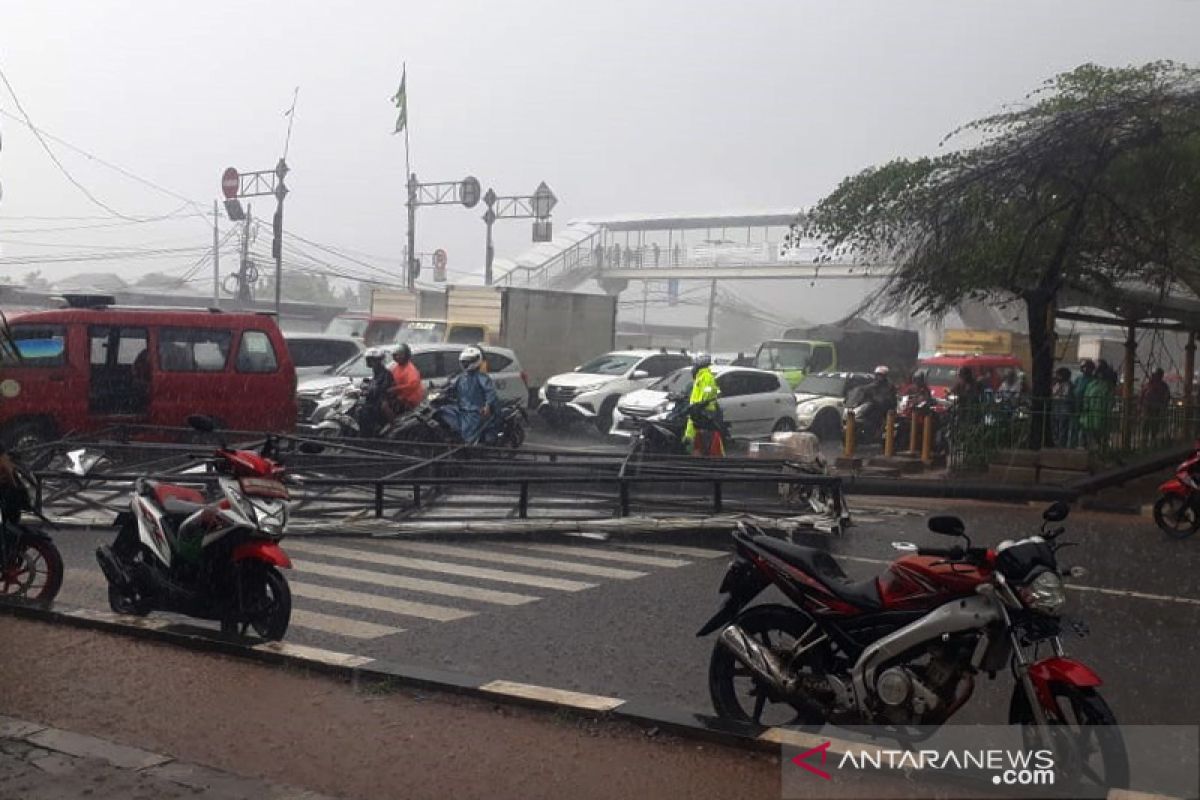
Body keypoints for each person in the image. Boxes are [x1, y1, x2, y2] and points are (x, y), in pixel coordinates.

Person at [445, 346, 500, 444]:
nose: (465, 364)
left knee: (468, 435)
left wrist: (487, 405)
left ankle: (471, 450)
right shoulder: (462, 377)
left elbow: (490, 392)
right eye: (464, 361)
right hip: (462, 409)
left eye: (468, 361)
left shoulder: (481, 377)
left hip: (475, 411)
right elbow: (453, 388)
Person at [684, 352, 723, 456]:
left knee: (704, 439)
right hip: (698, 411)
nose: (694, 367)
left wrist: (701, 404)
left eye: (695, 364)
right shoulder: (700, 377)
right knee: (695, 435)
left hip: (704, 412)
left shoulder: (706, 376)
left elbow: (708, 393)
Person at [358, 348, 395, 437]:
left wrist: (368, 391)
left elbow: (381, 388)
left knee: (364, 411)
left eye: (372, 360)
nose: (370, 362)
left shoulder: (386, 373)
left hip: (382, 399)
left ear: (378, 360)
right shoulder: (376, 372)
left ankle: (374, 432)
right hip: (374, 398)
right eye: (369, 360)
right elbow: (372, 384)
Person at [1081, 360, 1116, 449]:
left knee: (1100, 435)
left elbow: (1110, 401)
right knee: (1093, 435)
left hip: (1100, 414)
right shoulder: (1093, 384)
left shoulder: (1107, 385)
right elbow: (1086, 398)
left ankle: (1100, 450)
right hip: (1093, 414)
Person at [389, 343, 425, 414]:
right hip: (399, 399)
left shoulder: (410, 369)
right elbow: (391, 378)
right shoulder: (396, 368)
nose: (397, 357)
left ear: (405, 356)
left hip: (409, 402)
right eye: (395, 355)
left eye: (399, 355)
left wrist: (395, 389)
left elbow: (412, 385)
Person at [1140, 367, 1172, 444]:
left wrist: (1141, 404)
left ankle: (1147, 441)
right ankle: (1149, 441)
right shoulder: (1160, 385)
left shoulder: (1150, 384)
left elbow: (1142, 395)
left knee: (1151, 425)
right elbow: (1167, 397)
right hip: (1152, 408)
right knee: (1151, 425)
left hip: (1152, 408)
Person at [1070, 360, 1096, 447]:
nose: (1085, 369)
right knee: (1074, 428)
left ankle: (1085, 446)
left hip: (1087, 407)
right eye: (1084, 367)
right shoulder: (1078, 379)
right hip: (1076, 406)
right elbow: (1074, 389)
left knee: (1086, 429)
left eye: (1088, 367)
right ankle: (1072, 445)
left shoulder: (1093, 380)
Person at [1051, 367, 1074, 447]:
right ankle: (1055, 442)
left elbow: (1065, 396)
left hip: (1064, 409)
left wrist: (1057, 396)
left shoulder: (1068, 385)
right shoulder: (1056, 384)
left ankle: (1061, 444)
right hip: (1055, 408)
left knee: (1062, 428)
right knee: (1055, 427)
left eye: (1058, 375)